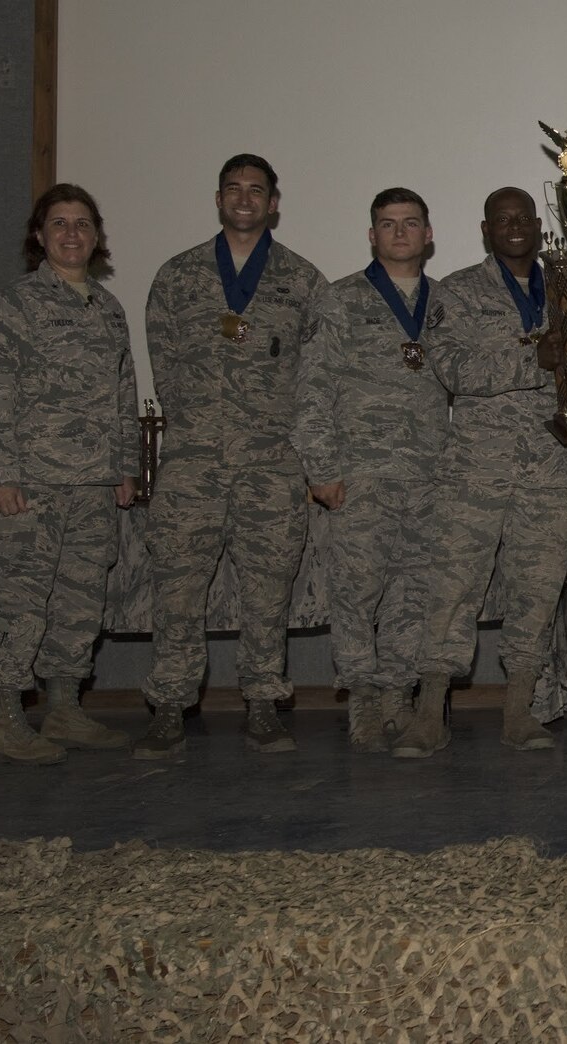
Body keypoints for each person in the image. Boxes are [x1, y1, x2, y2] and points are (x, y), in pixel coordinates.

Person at [133, 154, 328, 760]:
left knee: (269, 590)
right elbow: (164, 365)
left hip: (271, 464)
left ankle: (264, 705)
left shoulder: (302, 281)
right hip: (193, 461)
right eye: (234, 189)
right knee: (178, 591)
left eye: (257, 190)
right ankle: (169, 706)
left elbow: (315, 377)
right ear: (218, 199)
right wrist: (203, 427)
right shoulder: (178, 276)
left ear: (273, 203)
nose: (245, 198)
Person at [392, 187, 567, 757]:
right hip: (476, 472)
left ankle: (518, 710)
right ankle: (430, 713)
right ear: (486, 230)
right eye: (502, 220)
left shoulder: (566, 295)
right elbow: (451, 368)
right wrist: (533, 359)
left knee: (537, 593)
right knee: (452, 589)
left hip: (552, 471)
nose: (515, 227)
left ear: (538, 225)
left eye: (523, 218)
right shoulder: (456, 292)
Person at [0, 183, 138, 764]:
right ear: (39, 236)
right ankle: (8, 718)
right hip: (30, 484)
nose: (72, 234)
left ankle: (64, 708)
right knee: (18, 600)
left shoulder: (108, 309)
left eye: (83, 223)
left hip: (92, 486)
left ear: (97, 237)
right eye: (60, 223)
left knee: (79, 602)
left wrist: (125, 467)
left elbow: (123, 394)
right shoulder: (13, 305)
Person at [291, 188, 459, 752]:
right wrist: (321, 467)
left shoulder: (445, 304)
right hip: (359, 475)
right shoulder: (339, 300)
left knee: (414, 592)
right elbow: (311, 389)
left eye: (411, 223)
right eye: (388, 224)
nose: (400, 233)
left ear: (428, 234)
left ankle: (397, 696)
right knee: (356, 592)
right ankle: (361, 701)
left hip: (430, 476)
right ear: (371, 235)